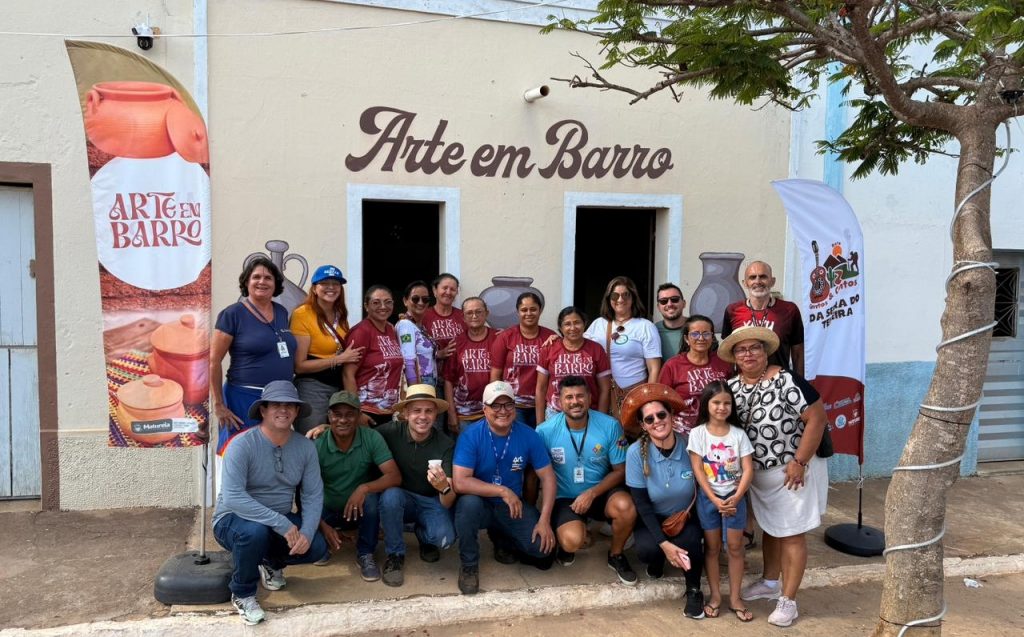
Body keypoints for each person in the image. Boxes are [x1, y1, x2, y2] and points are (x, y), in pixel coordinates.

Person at [719, 325, 828, 628]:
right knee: (772, 529)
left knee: (792, 533)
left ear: (765, 351)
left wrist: (800, 461)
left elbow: (817, 417)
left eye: (754, 347)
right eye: (741, 349)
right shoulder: (732, 387)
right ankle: (770, 582)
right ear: (734, 357)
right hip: (758, 476)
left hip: (791, 470)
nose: (748, 354)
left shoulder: (786, 379)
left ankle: (789, 600)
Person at [212, 381, 328, 626]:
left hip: (277, 521)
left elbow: (313, 494)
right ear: (263, 410)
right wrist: (281, 523)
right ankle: (243, 593)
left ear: (297, 412)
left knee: (317, 546)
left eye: (289, 405)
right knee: (254, 532)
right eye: (276, 404)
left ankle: (271, 563)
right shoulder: (241, 444)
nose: (283, 410)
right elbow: (233, 496)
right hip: (232, 520)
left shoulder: (305, 447)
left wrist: (306, 531)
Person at [452, 381, 557, 595]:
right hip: (480, 503)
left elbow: (547, 478)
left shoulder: (529, 435)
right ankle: (469, 565)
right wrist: (502, 490)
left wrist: (544, 520)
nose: (503, 411)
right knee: (467, 504)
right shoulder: (471, 435)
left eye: (508, 405)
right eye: (495, 406)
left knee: (543, 553)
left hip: (511, 506)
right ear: (484, 409)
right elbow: (460, 481)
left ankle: (502, 538)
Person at [535, 376, 637, 585]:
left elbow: (621, 470)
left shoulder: (610, 425)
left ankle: (616, 555)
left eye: (580, 396)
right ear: (560, 401)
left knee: (626, 507)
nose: (575, 401)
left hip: (599, 493)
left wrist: (591, 493)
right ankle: (574, 535)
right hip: (565, 498)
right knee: (572, 541)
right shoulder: (544, 431)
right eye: (569, 397)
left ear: (590, 398)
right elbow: (538, 477)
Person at [620, 383, 707, 620]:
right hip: (653, 517)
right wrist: (663, 543)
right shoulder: (635, 453)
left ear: (671, 415)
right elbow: (641, 504)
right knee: (648, 550)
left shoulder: (691, 445)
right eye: (649, 419)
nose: (657, 421)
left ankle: (693, 590)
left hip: (684, 516)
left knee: (691, 542)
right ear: (642, 426)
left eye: (661, 414)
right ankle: (657, 561)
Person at [308, 390, 401, 583]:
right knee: (316, 550)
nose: (343, 420)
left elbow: (394, 476)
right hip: (326, 510)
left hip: (358, 510)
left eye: (349, 414)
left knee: (373, 499)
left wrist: (364, 488)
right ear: (329, 416)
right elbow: (305, 493)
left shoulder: (371, 438)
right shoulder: (317, 445)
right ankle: (326, 538)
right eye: (337, 415)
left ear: (359, 416)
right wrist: (323, 527)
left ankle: (366, 553)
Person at [211, 257, 297, 456]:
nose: (262, 281)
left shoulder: (282, 312)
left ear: (275, 284)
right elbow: (214, 361)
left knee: (272, 455)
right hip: (243, 398)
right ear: (246, 282)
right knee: (238, 453)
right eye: (256, 277)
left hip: (279, 400)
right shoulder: (232, 314)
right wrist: (219, 404)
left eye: (268, 277)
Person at [686, 381, 755, 622]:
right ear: (706, 404)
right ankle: (715, 596)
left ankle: (735, 598)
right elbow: (698, 470)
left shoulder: (739, 435)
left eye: (727, 403)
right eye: (716, 402)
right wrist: (715, 499)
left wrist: (736, 496)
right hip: (709, 498)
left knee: (735, 547)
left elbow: (748, 469)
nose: (722, 407)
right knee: (713, 547)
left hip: (735, 498)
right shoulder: (697, 434)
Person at [376, 385, 457, 587]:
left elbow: (448, 500)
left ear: (436, 414)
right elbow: (359, 438)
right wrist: (326, 428)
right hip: (402, 496)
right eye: (416, 411)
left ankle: (424, 536)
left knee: (445, 539)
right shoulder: (390, 432)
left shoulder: (445, 444)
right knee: (390, 496)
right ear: (405, 413)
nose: (423, 417)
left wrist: (443, 487)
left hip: (431, 500)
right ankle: (395, 555)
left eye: (428, 411)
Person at [584, 276, 662, 437]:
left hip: (633, 396)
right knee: (605, 440)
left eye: (626, 295)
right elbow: (576, 345)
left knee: (634, 440)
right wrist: (556, 339)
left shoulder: (644, 326)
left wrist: (648, 400)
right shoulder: (598, 324)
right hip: (603, 396)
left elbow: (654, 368)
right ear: (608, 299)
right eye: (615, 295)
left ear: (633, 298)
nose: (620, 299)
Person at [290, 265, 364, 434]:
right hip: (313, 387)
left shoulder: (340, 314)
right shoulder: (303, 313)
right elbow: (299, 365)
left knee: (334, 439)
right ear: (315, 289)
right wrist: (339, 359)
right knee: (312, 437)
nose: (331, 287)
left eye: (336, 283)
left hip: (337, 386)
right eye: (324, 283)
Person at [721, 261, 804, 376]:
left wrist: (800, 384)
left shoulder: (789, 310)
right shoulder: (732, 310)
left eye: (763, 277)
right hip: (745, 383)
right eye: (752, 277)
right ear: (745, 283)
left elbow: (798, 352)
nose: (758, 281)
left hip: (780, 382)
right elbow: (728, 352)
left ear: (772, 281)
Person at [658, 315, 734, 436]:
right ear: (686, 339)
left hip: (718, 432)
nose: (701, 338)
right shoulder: (673, 365)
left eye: (706, 334)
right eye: (695, 334)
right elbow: (660, 400)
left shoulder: (723, 361)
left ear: (712, 337)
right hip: (684, 433)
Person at [489, 292, 556, 427]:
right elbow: (495, 375)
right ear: (517, 312)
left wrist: (559, 341)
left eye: (533, 309)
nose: (529, 313)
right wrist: (498, 404)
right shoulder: (506, 337)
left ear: (540, 310)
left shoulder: (550, 337)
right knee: (518, 443)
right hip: (513, 405)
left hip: (542, 404)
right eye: (524, 310)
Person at [535, 306, 611, 423]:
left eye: (577, 323)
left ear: (584, 324)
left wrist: (601, 421)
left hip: (588, 414)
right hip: (555, 414)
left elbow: (605, 389)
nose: (572, 328)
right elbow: (541, 388)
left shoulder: (596, 349)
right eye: (567, 324)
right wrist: (540, 424)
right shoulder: (549, 348)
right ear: (560, 327)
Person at [343, 285, 403, 425]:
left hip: (388, 411)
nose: (383, 306)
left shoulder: (391, 329)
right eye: (376, 302)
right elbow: (348, 374)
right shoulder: (361, 332)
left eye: (388, 302)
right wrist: (356, 412)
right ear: (366, 306)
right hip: (366, 411)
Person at [444, 297, 498, 435]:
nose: (474, 316)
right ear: (463, 317)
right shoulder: (456, 342)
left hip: (493, 413)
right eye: (469, 313)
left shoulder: (498, 338)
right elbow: (448, 380)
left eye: (479, 312)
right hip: (463, 414)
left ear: (487, 313)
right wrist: (451, 414)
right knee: (466, 454)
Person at [395, 280, 438, 388]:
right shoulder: (406, 325)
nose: (420, 303)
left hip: (429, 381)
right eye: (415, 299)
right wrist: (414, 392)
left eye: (425, 299)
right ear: (405, 301)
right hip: (420, 383)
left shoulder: (418, 326)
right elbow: (408, 361)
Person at [421, 273, 465, 363]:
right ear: (435, 290)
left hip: (460, 373)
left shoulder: (463, 316)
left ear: (457, 292)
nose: (448, 292)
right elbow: (415, 349)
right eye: (444, 288)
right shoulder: (423, 316)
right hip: (432, 373)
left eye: (452, 289)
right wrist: (438, 353)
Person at [654, 283, 687, 364]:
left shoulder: (699, 327)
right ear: (658, 307)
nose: (669, 304)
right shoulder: (652, 330)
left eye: (674, 299)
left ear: (684, 303)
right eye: (663, 301)